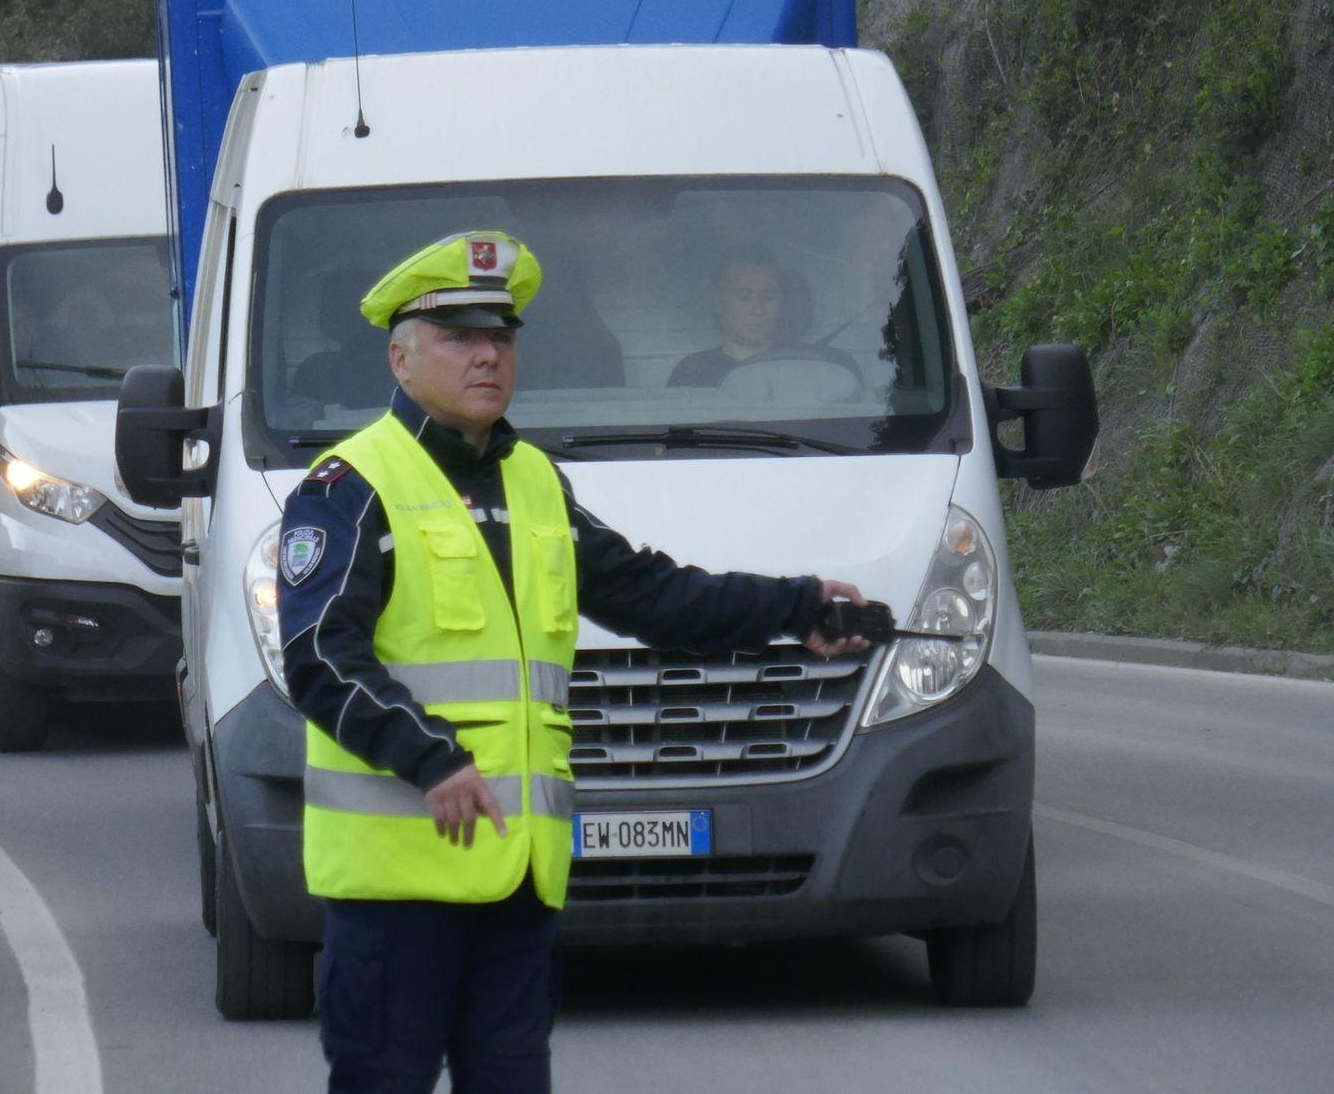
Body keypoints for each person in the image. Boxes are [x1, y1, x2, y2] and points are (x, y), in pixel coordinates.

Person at [276, 230, 885, 1093]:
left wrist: (799, 608)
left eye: (503, 336)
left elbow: (652, 594)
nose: (488, 355)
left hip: (518, 879)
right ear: (401, 357)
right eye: (460, 337)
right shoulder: (350, 485)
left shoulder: (534, 482)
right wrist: (430, 753)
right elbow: (317, 655)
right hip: (398, 890)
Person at [667, 245, 861, 389]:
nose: (757, 309)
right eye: (744, 297)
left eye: (768, 297)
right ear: (719, 302)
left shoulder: (827, 367)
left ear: (782, 302)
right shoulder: (692, 374)